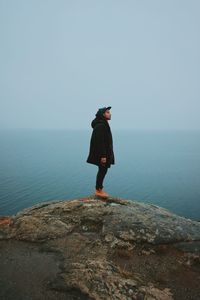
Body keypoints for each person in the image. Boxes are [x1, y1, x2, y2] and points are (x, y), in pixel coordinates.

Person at [86, 106, 115, 198]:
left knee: (103, 170)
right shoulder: (101, 125)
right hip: (102, 154)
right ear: (103, 115)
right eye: (107, 112)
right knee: (102, 170)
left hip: (105, 153)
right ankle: (98, 190)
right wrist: (103, 156)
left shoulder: (103, 124)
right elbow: (100, 142)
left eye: (109, 112)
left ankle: (99, 189)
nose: (110, 114)